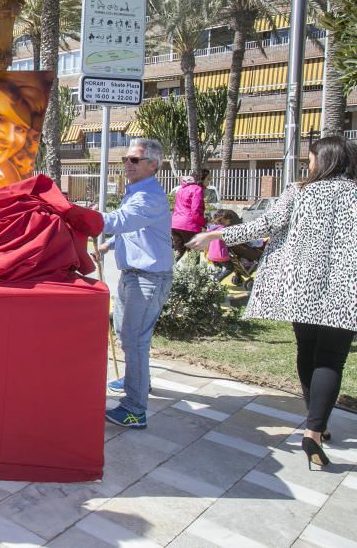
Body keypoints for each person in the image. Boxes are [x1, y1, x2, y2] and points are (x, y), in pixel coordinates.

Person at [188, 136, 357, 469]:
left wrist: (215, 235)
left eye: (310, 159)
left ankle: (316, 423)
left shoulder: (299, 191)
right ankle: (315, 428)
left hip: (301, 287)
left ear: (324, 161)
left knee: (307, 351)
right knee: (331, 359)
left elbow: (264, 224)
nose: (307, 165)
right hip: (344, 288)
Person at [95, 138, 173, 430]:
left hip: (148, 278)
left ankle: (134, 409)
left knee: (135, 341)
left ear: (154, 165)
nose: (127, 164)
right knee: (127, 335)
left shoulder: (148, 196)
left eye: (134, 160)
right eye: (125, 159)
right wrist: (109, 246)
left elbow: (121, 221)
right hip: (135, 275)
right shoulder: (138, 192)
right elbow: (138, 231)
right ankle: (137, 380)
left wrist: (79, 217)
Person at [171, 169, 209, 259]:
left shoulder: (181, 189)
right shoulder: (197, 189)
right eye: (208, 179)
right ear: (201, 179)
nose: (209, 181)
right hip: (189, 225)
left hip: (175, 224)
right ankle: (194, 273)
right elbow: (196, 211)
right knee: (194, 255)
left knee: (178, 253)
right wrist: (204, 223)